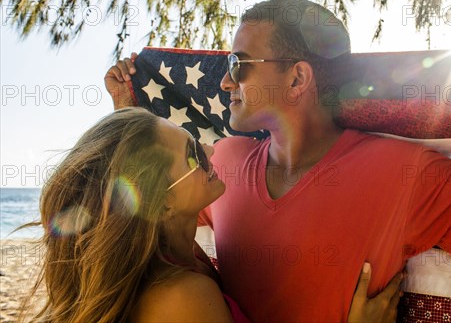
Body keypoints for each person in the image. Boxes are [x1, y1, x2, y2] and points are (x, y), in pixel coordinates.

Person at [105, 0, 451, 322]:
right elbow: (154, 198)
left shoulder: (400, 174)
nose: (226, 82)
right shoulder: (221, 167)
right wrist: (128, 115)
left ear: (298, 80)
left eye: (240, 64)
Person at [20, 107, 405, 322]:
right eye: (191, 151)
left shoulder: (178, 252)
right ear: (161, 203)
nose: (209, 148)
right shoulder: (180, 297)